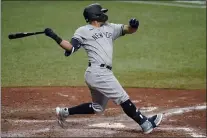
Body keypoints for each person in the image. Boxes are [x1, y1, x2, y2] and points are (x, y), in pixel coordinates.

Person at [44, 3, 163, 134]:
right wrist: (54, 37)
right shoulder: (83, 30)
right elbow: (71, 48)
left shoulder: (110, 27)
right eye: (101, 12)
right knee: (123, 98)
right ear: (95, 15)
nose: (104, 14)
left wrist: (134, 26)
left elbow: (128, 29)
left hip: (100, 74)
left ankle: (64, 112)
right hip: (98, 73)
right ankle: (145, 124)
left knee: (98, 108)